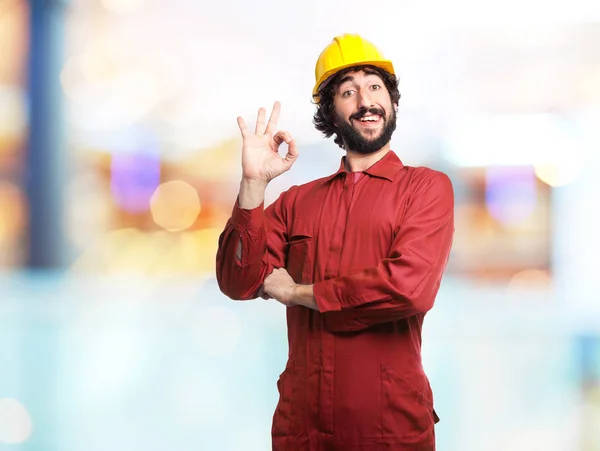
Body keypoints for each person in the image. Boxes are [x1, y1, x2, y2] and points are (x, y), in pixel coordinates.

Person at [216, 33, 454, 451]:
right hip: (302, 427)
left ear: (392, 102)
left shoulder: (426, 188)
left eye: (375, 87)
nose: (366, 100)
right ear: (331, 113)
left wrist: (297, 292)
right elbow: (238, 280)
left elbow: (408, 288)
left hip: (388, 429)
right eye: (349, 92)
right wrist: (253, 185)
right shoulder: (297, 202)